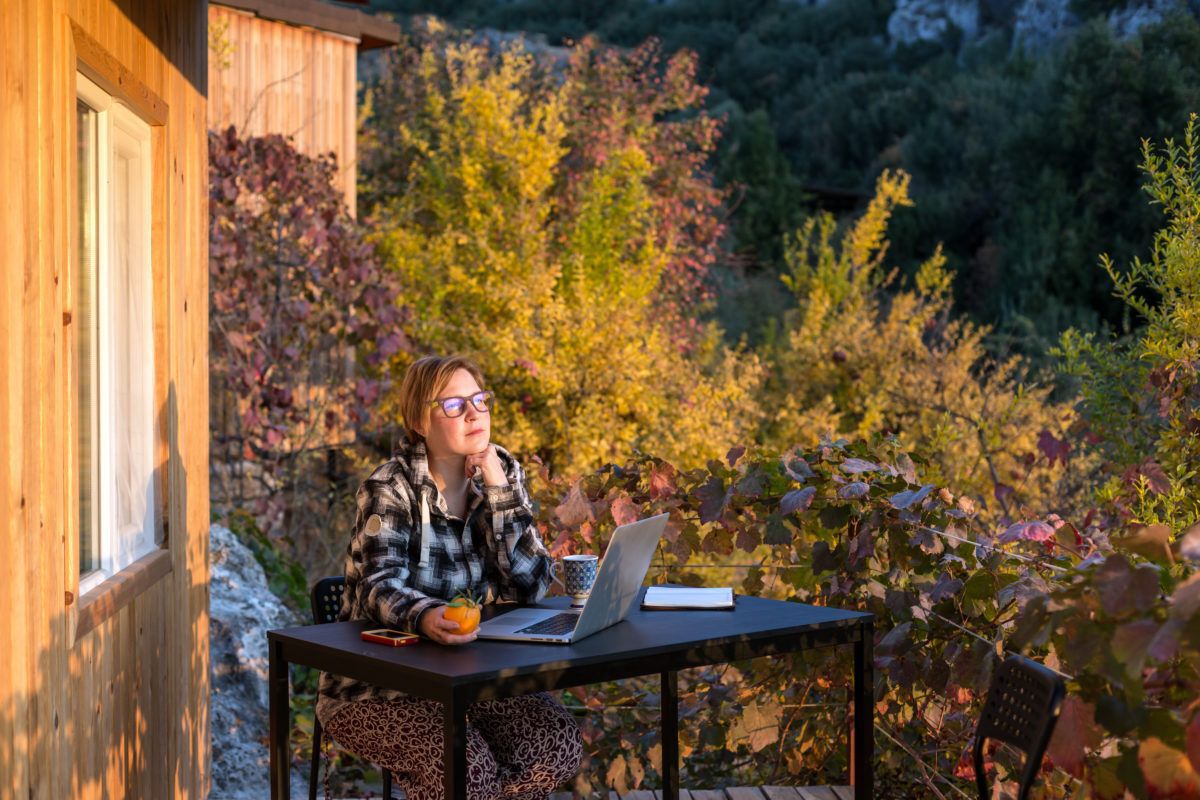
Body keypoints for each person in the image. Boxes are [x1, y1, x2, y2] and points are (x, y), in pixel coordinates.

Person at [317, 355, 583, 800]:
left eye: (480, 399)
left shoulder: (501, 472)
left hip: (468, 680)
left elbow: (533, 584)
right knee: (465, 770)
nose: (475, 413)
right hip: (376, 691)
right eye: (455, 405)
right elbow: (377, 583)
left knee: (554, 745)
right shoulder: (390, 488)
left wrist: (499, 493)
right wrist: (424, 614)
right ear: (420, 420)